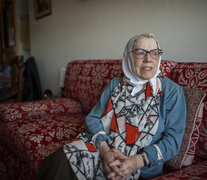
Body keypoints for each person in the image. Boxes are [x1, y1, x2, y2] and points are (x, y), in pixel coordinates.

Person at [36, 33, 186, 180]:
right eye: (140, 53)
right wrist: (105, 151)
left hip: (141, 166)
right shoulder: (116, 85)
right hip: (102, 151)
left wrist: (134, 162)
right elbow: (94, 118)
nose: (148, 59)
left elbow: (173, 141)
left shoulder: (172, 92)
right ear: (129, 57)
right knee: (60, 159)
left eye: (154, 53)